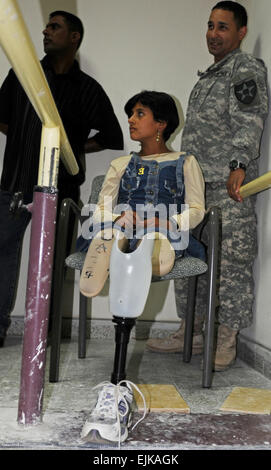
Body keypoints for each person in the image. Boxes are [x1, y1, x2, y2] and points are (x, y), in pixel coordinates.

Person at [77, 90, 205, 445]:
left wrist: (168, 222)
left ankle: (117, 385)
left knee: (143, 244)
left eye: (139, 113)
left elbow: (196, 209)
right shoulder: (120, 164)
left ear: (161, 124)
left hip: (165, 232)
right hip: (123, 230)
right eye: (130, 113)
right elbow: (100, 208)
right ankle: (117, 385)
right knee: (111, 234)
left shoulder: (185, 161)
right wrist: (119, 214)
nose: (131, 120)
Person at [146, 1, 269, 371]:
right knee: (186, 258)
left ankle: (226, 338)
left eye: (223, 27)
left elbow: (249, 118)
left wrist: (239, 165)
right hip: (195, 187)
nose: (214, 34)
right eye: (210, 26)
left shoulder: (244, 68)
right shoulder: (207, 78)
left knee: (231, 263)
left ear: (241, 33)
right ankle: (192, 331)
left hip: (227, 185)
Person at [0, 11, 123, 346]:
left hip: (60, 192)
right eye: (47, 26)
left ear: (74, 37)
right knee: (2, 254)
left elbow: (112, 136)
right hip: (13, 183)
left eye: (55, 27)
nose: (45, 30)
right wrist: (29, 141)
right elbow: (3, 119)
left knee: (51, 265)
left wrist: (70, 147)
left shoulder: (87, 89)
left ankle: (46, 334)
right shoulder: (22, 76)